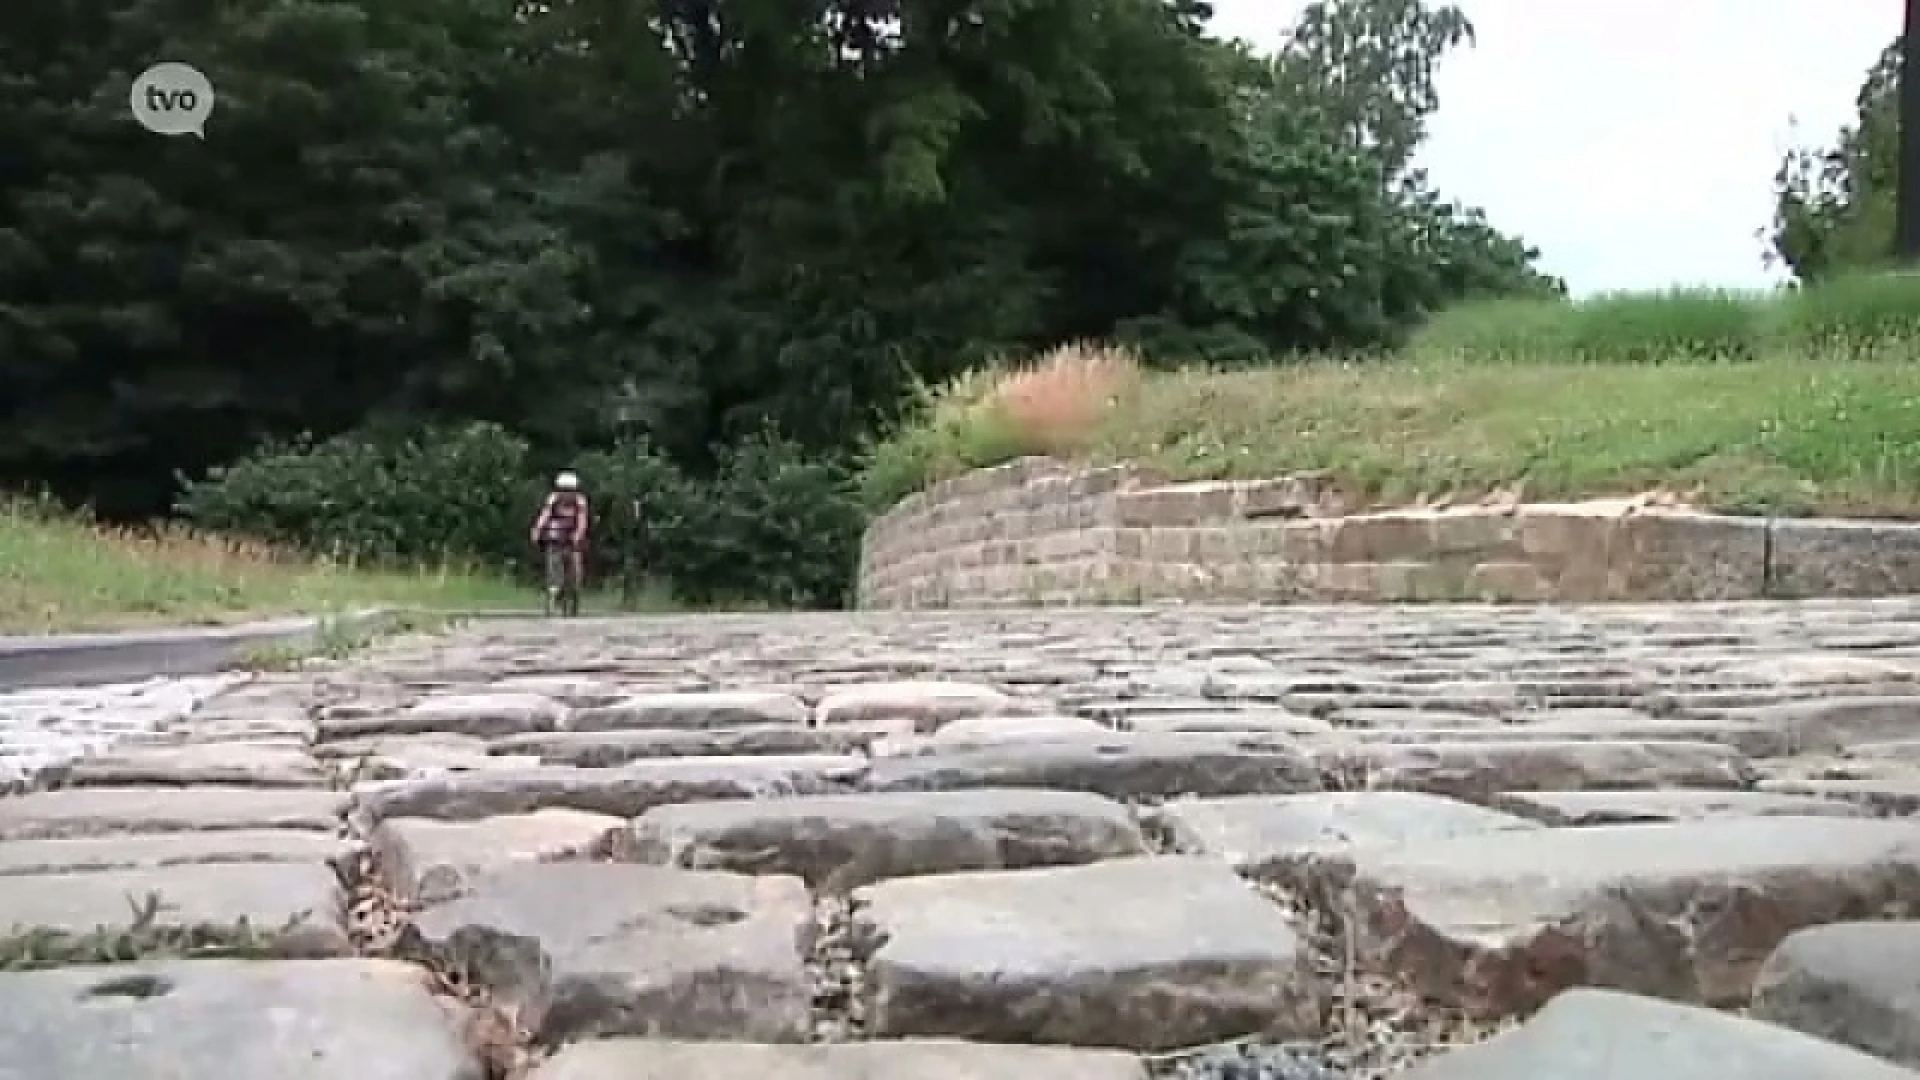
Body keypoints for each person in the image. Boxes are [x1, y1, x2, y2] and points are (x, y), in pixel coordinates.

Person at [530, 470, 590, 608]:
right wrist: (537, 529)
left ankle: (575, 589)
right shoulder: (553, 499)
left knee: (575, 563)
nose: (566, 494)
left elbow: (582, 520)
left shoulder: (579, 500)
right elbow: (544, 515)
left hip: (573, 533)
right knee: (553, 560)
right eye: (563, 490)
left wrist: (578, 534)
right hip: (556, 534)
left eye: (569, 490)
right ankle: (553, 588)